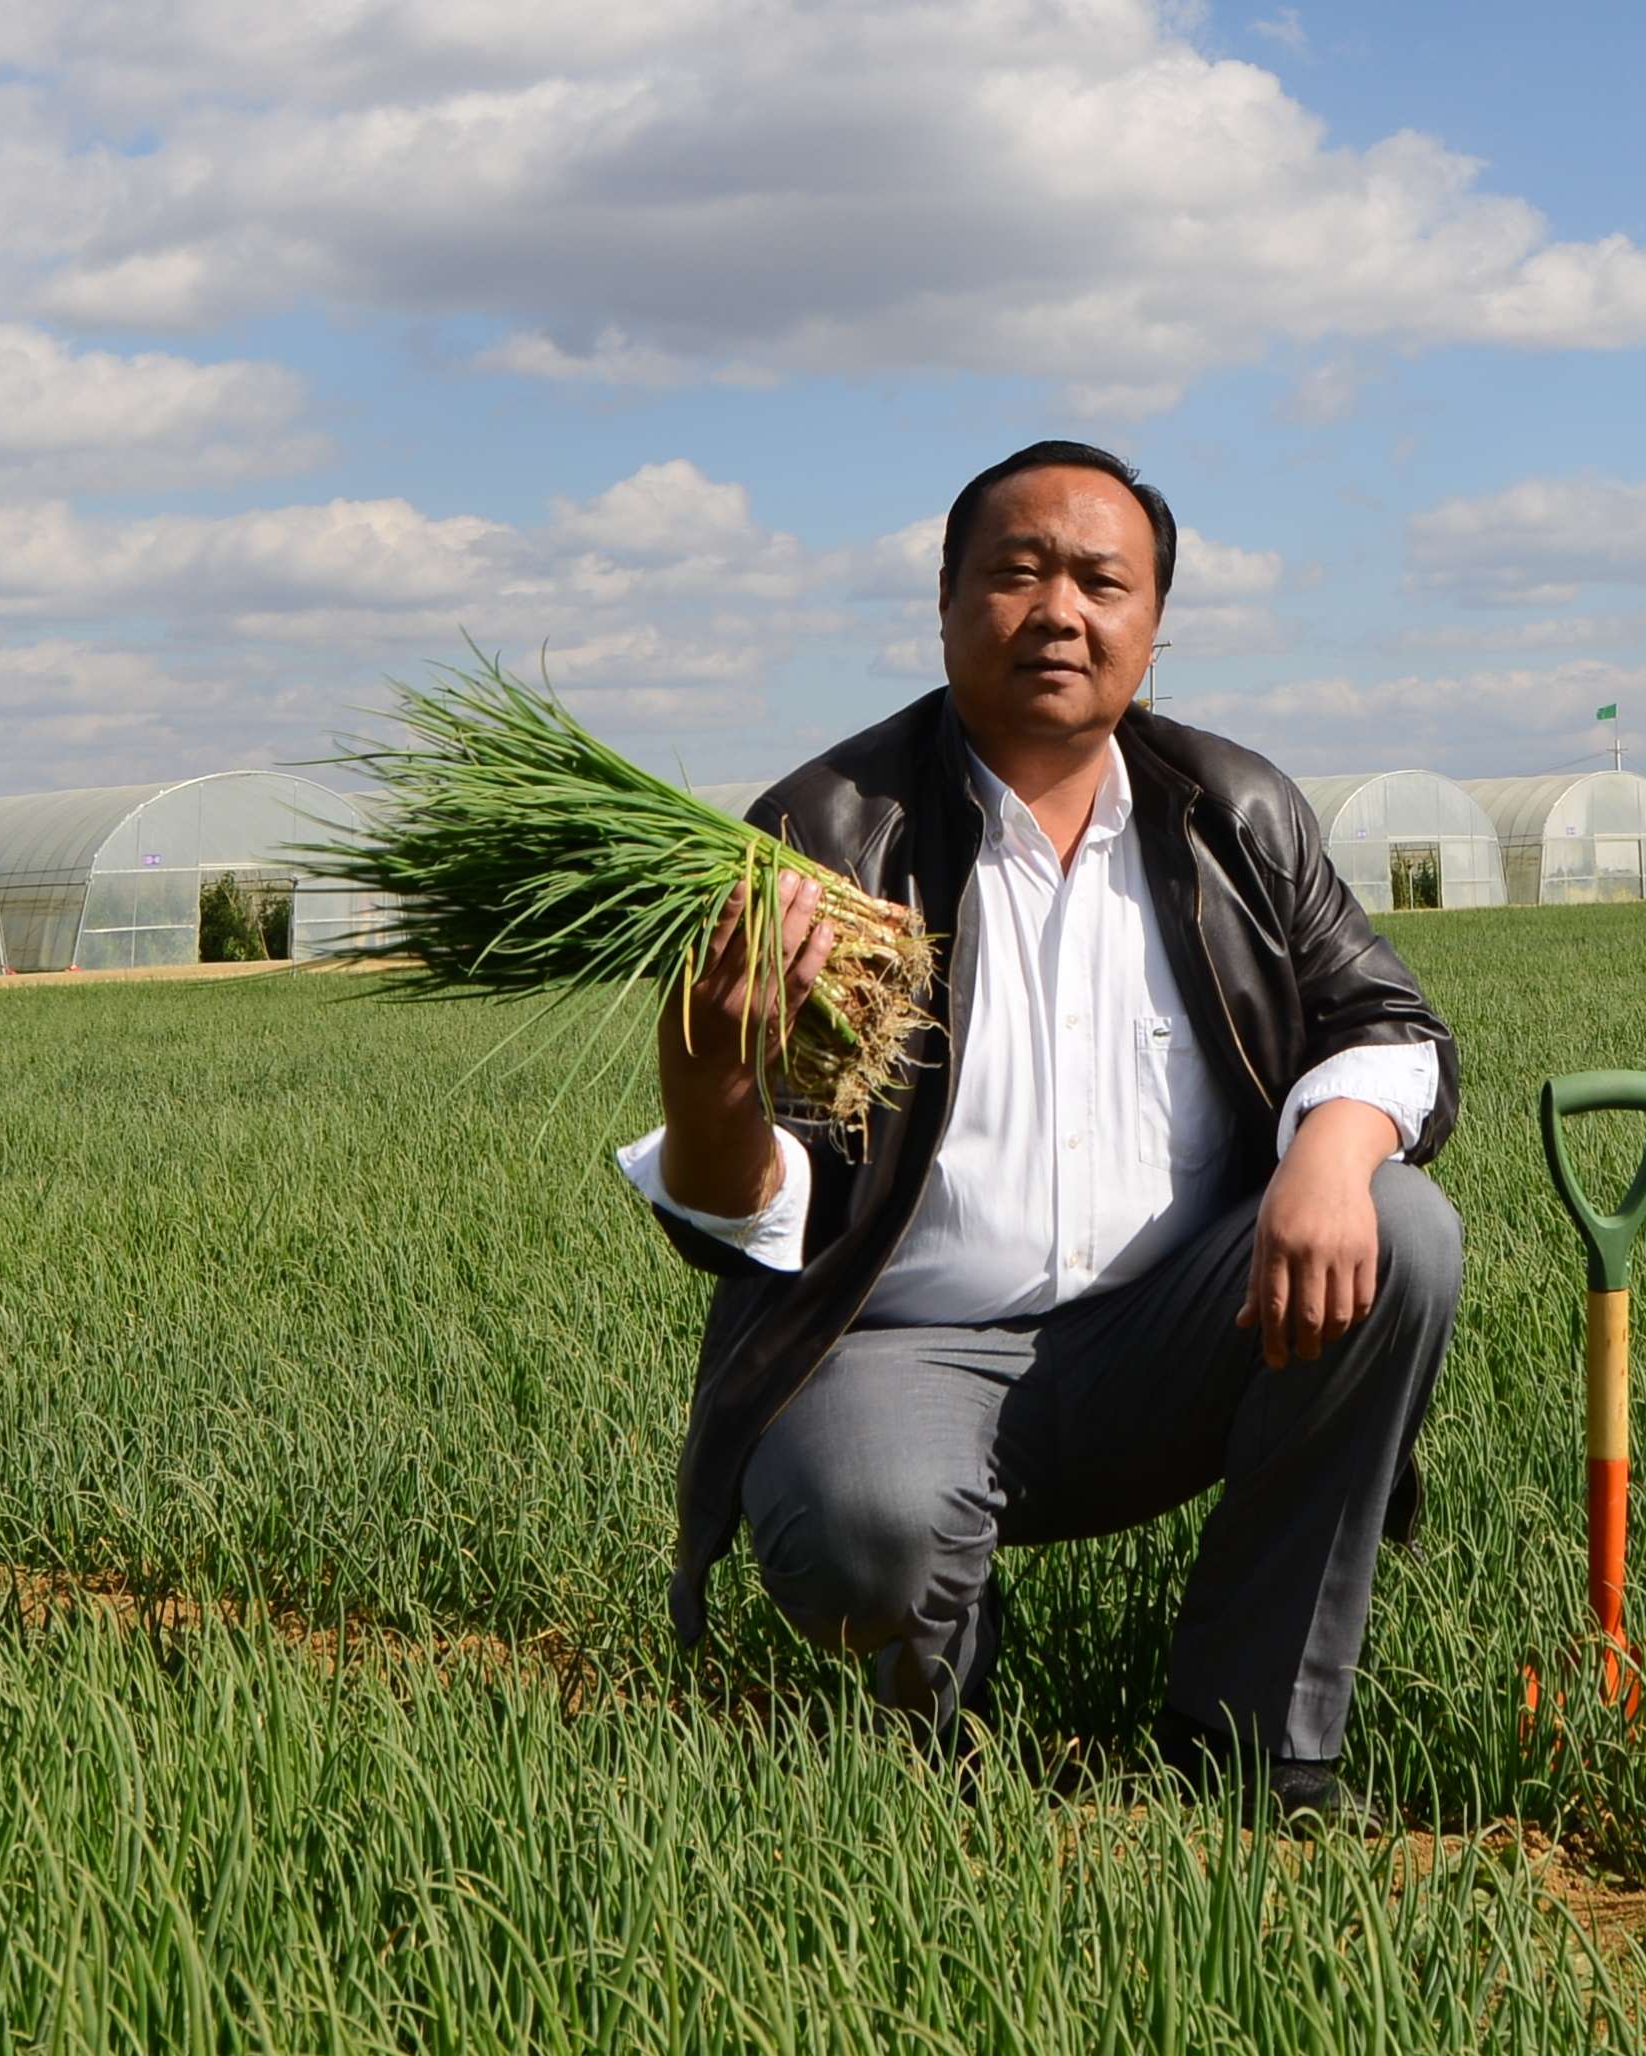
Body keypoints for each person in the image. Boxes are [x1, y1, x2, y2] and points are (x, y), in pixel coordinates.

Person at [623, 437, 1464, 1815]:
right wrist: (709, 1080)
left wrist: (1329, 1154)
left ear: (1152, 630)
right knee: (864, 1527)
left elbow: (1393, 1030)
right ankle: (942, 1730)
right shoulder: (827, 834)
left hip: (1170, 1339)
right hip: (901, 1358)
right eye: (1016, 574)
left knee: (1402, 1230)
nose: (1059, 609)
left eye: (1100, 581)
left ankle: (1252, 1743)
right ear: (948, 606)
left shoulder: (1232, 817)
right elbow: (738, 1221)